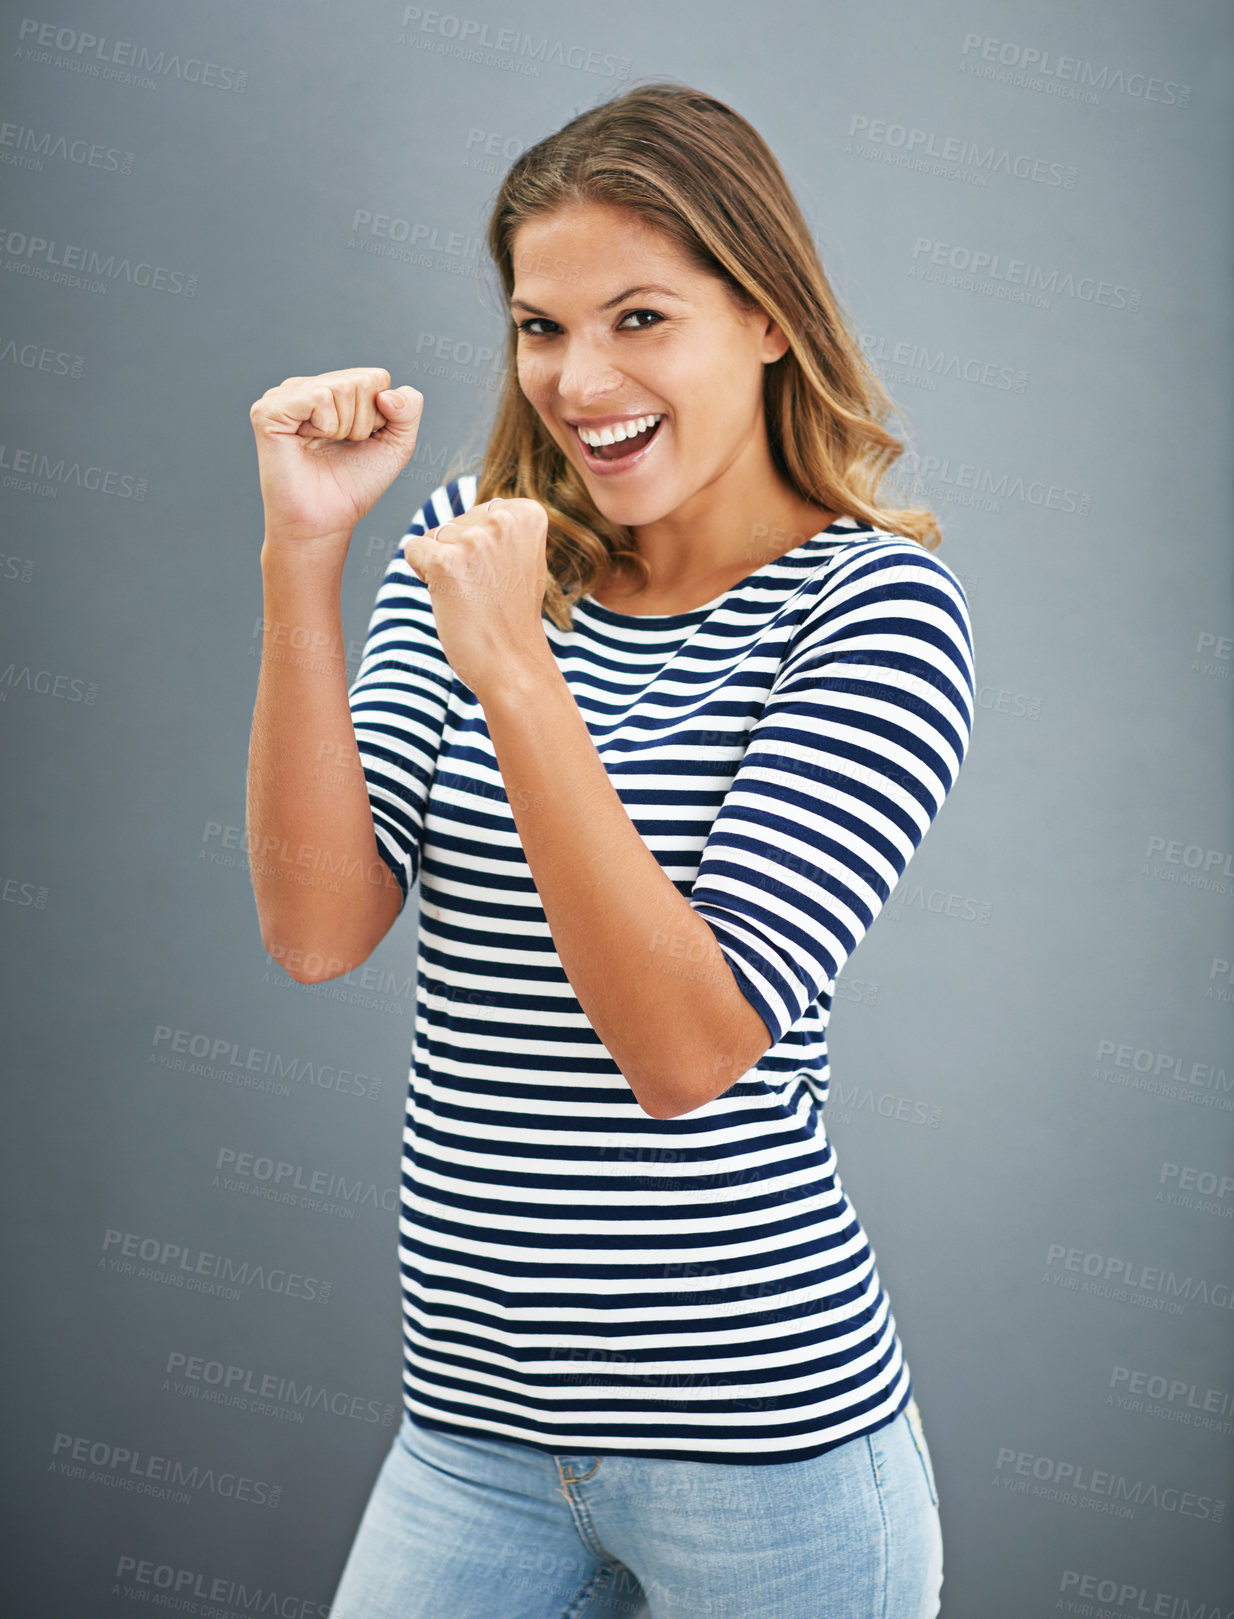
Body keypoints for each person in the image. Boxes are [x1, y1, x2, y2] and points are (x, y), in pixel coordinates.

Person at [247, 80, 973, 1619]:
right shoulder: (473, 538)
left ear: (766, 316)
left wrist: (515, 670)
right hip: (470, 1433)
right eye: (540, 327)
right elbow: (318, 930)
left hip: (764, 1459)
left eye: (640, 318)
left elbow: (684, 1049)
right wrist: (307, 556)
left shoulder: (872, 616)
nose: (580, 380)